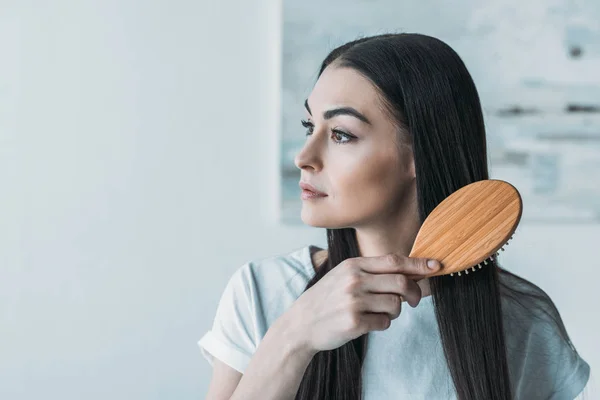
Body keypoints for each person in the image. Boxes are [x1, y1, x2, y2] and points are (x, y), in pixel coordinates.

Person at [199, 33, 591, 399]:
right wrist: (293, 335)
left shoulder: (524, 321)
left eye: (340, 134)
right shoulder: (261, 292)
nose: (304, 157)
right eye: (309, 126)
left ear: (420, 153)